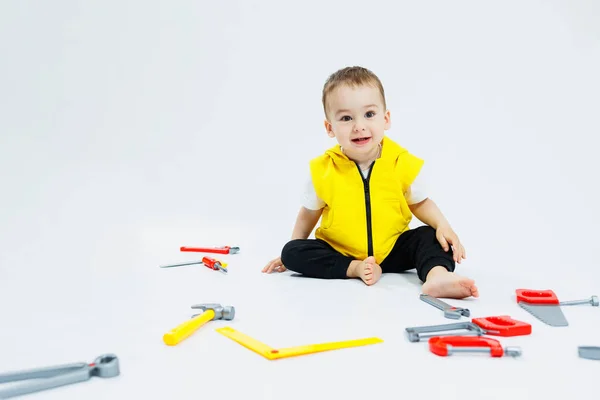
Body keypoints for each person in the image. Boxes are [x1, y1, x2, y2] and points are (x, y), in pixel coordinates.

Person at [262, 66, 478, 299]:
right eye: (346, 118)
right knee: (292, 251)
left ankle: (437, 276)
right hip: (340, 251)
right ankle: (355, 269)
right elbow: (308, 213)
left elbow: (420, 202)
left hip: (394, 249)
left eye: (369, 114)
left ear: (385, 119)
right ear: (329, 127)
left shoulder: (400, 162)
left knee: (429, 235)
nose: (359, 126)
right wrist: (294, 252)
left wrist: (443, 225)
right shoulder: (323, 170)